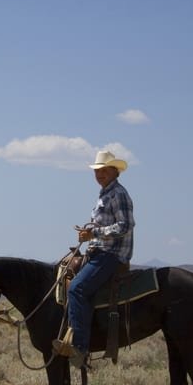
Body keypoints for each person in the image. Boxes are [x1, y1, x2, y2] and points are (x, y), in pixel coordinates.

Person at [53, 150, 135, 367]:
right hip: (100, 251)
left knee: (77, 288)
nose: (99, 174)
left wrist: (94, 234)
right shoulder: (105, 194)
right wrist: (88, 232)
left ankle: (79, 348)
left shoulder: (118, 194)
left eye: (104, 170)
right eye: (97, 171)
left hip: (112, 254)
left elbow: (125, 225)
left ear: (114, 171)